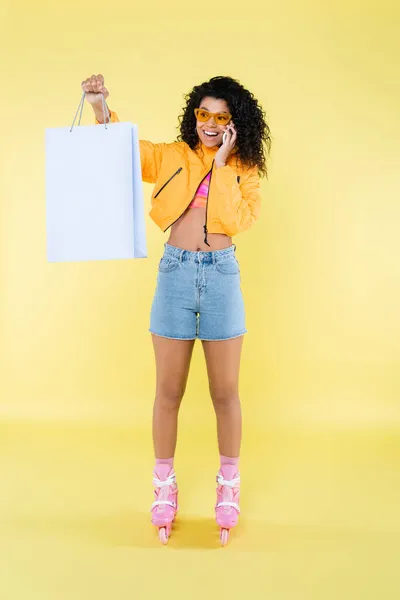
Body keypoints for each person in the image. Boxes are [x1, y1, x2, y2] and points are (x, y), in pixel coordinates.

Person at [82, 73, 271, 545]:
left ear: (234, 123)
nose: (209, 123)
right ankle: (163, 485)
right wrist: (100, 106)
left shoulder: (244, 169)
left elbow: (236, 220)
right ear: (194, 117)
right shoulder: (172, 155)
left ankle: (229, 486)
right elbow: (124, 151)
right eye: (203, 114)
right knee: (168, 389)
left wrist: (223, 162)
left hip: (222, 276)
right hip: (175, 274)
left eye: (220, 117)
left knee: (225, 391)